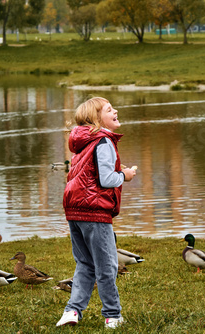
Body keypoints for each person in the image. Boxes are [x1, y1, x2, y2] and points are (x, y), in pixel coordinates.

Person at [56, 97, 136, 328]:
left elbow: (89, 173)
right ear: (97, 118)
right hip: (94, 210)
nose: (116, 111)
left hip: (74, 208)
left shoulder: (84, 142)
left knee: (85, 262)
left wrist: (117, 169)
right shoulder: (104, 141)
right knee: (107, 265)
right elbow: (106, 179)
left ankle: (72, 312)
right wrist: (125, 176)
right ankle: (112, 315)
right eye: (110, 109)